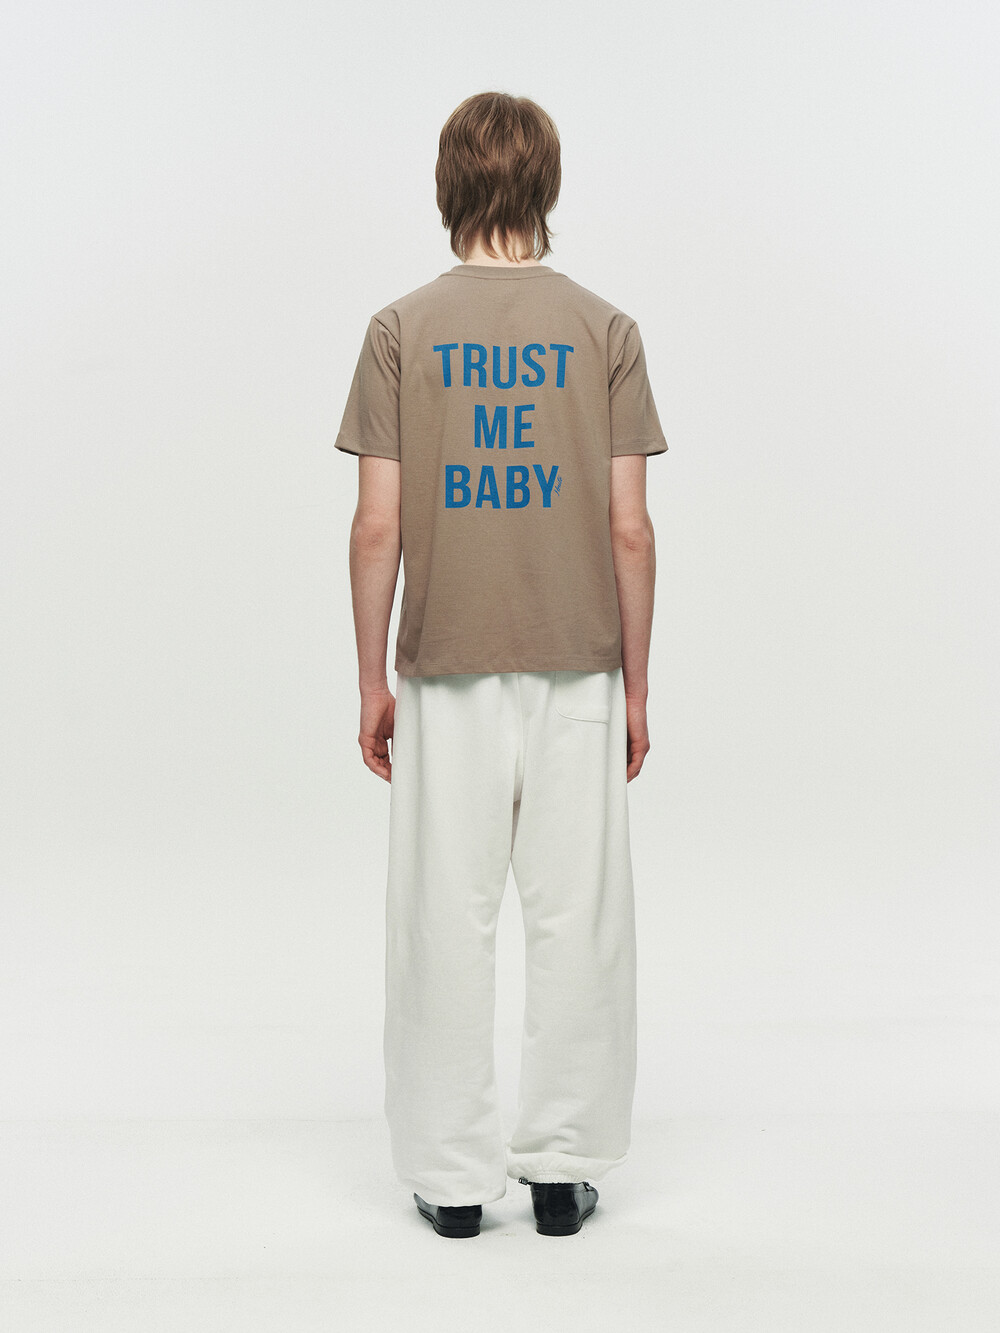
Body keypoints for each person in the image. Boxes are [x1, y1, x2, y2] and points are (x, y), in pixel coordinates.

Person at [334, 91, 667, 1239]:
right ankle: (564, 1170)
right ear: (546, 186)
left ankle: (450, 1177)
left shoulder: (400, 330)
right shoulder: (606, 330)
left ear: (448, 186)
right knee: (578, 918)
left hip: (445, 668)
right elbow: (630, 529)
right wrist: (636, 681)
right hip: (577, 667)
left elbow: (376, 526)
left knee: (444, 915)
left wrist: (371, 678)